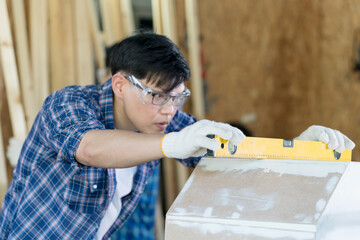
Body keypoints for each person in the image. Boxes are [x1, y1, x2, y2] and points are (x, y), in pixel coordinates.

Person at [0, 31, 355, 240]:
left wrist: (297, 146)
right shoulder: (69, 103)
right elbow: (90, 148)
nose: (169, 110)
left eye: (177, 97)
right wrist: (169, 144)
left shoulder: (162, 119)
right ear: (120, 85)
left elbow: (231, 155)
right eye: (157, 96)